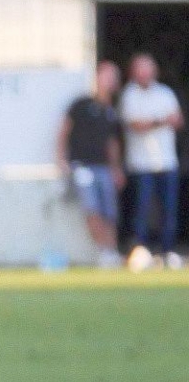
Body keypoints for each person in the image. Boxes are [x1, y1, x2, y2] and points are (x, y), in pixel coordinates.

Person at [58, 60, 126, 269]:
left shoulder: (111, 111)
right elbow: (64, 132)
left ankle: (112, 251)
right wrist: (61, 159)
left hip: (104, 167)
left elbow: (112, 143)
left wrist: (116, 168)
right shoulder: (81, 104)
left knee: (110, 212)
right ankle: (103, 252)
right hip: (83, 167)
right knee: (92, 209)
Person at [120, 52, 182, 270]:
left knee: (169, 212)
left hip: (167, 162)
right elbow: (136, 125)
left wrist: (153, 122)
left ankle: (167, 252)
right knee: (141, 211)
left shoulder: (165, 93)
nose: (145, 73)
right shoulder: (129, 95)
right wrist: (162, 120)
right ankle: (140, 252)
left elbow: (178, 120)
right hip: (141, 165)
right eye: (140, 69)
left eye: (148, 69)